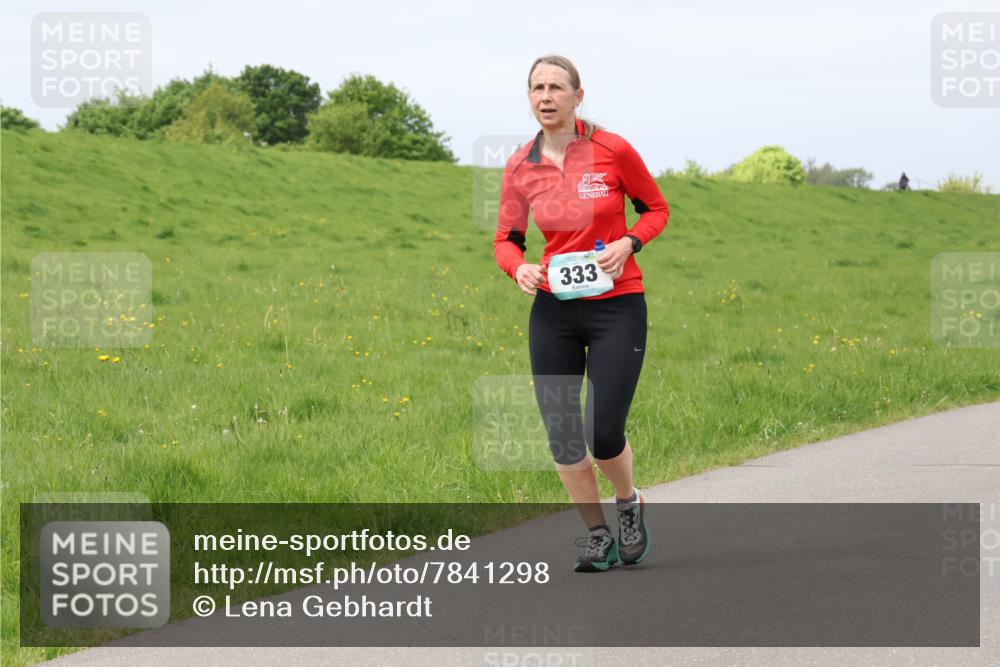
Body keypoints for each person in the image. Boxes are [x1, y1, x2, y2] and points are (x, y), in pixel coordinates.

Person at [493, 54, 669, 572]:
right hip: (555, 310)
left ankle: (628, 503)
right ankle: (598, 536)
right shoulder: (521, 166)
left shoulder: (613, 150)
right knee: (564, 434)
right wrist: (518, 269)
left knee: (603, 431)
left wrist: (630, 242)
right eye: (536, 88)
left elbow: (656, 209)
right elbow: (506, 239)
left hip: (617, 306)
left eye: (555, 87)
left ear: (578, 95)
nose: (545, 96)